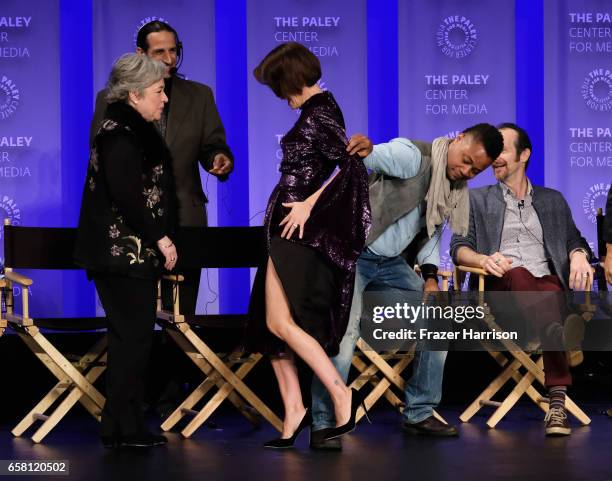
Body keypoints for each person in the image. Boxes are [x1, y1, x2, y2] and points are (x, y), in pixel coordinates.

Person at [309, 124, 504, 450]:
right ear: (457, 139)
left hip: (390, 263)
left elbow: (430, 237)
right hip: (353, 254)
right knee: (343, 333)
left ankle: (419, 412)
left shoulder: (453, 189)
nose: (466, 171)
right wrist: (370, 149)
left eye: (476, 170)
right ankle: (324, 422)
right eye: (467, 159)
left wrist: (430, 276)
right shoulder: (415, 157)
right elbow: (380, 156)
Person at [245, 42, 371, 448]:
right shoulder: (316, 112)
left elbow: (349, 166)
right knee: (270, 326)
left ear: (291, 80)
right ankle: (294, 408)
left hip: (296, 233)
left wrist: (308, 206)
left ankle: (340, 393)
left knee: (281, 323)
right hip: (282, 229)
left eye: (280, 87)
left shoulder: (320, 114)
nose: (280, 97)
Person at [450, 123, 593, 437]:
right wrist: (483, 259)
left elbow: (574, 239)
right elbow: (459, 248)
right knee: (523, 276)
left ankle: (556, 405)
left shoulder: (553, 200)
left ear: (524, 155)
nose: (493, 158)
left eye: (501, 150)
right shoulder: (476, 199)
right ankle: (564, 346)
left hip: (546, 292)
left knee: (552, 287)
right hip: (501, 293)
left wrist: (580, 253)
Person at [91, 20, 233, 318]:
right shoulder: (110, 99)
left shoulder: (200, 95)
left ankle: (180, 364)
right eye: (160, 52)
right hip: (130, 225)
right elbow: (102, 159)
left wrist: (218, 157)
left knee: (182, 316)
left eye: (174, 51)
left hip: (185, 219)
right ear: (140, 53)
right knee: (133, 322)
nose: (169, 60)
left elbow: (213, 143)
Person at [75, 53, 178, 448]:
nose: (164, 99)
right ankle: (124, 428)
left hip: (129, 255)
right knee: (132, 339)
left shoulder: (132, 129)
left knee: (130, 339)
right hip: (120, 255)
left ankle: (120, 427)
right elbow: (128, 197)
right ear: (134, 95)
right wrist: (161, 238)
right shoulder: (119, 134)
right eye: (157, 92)